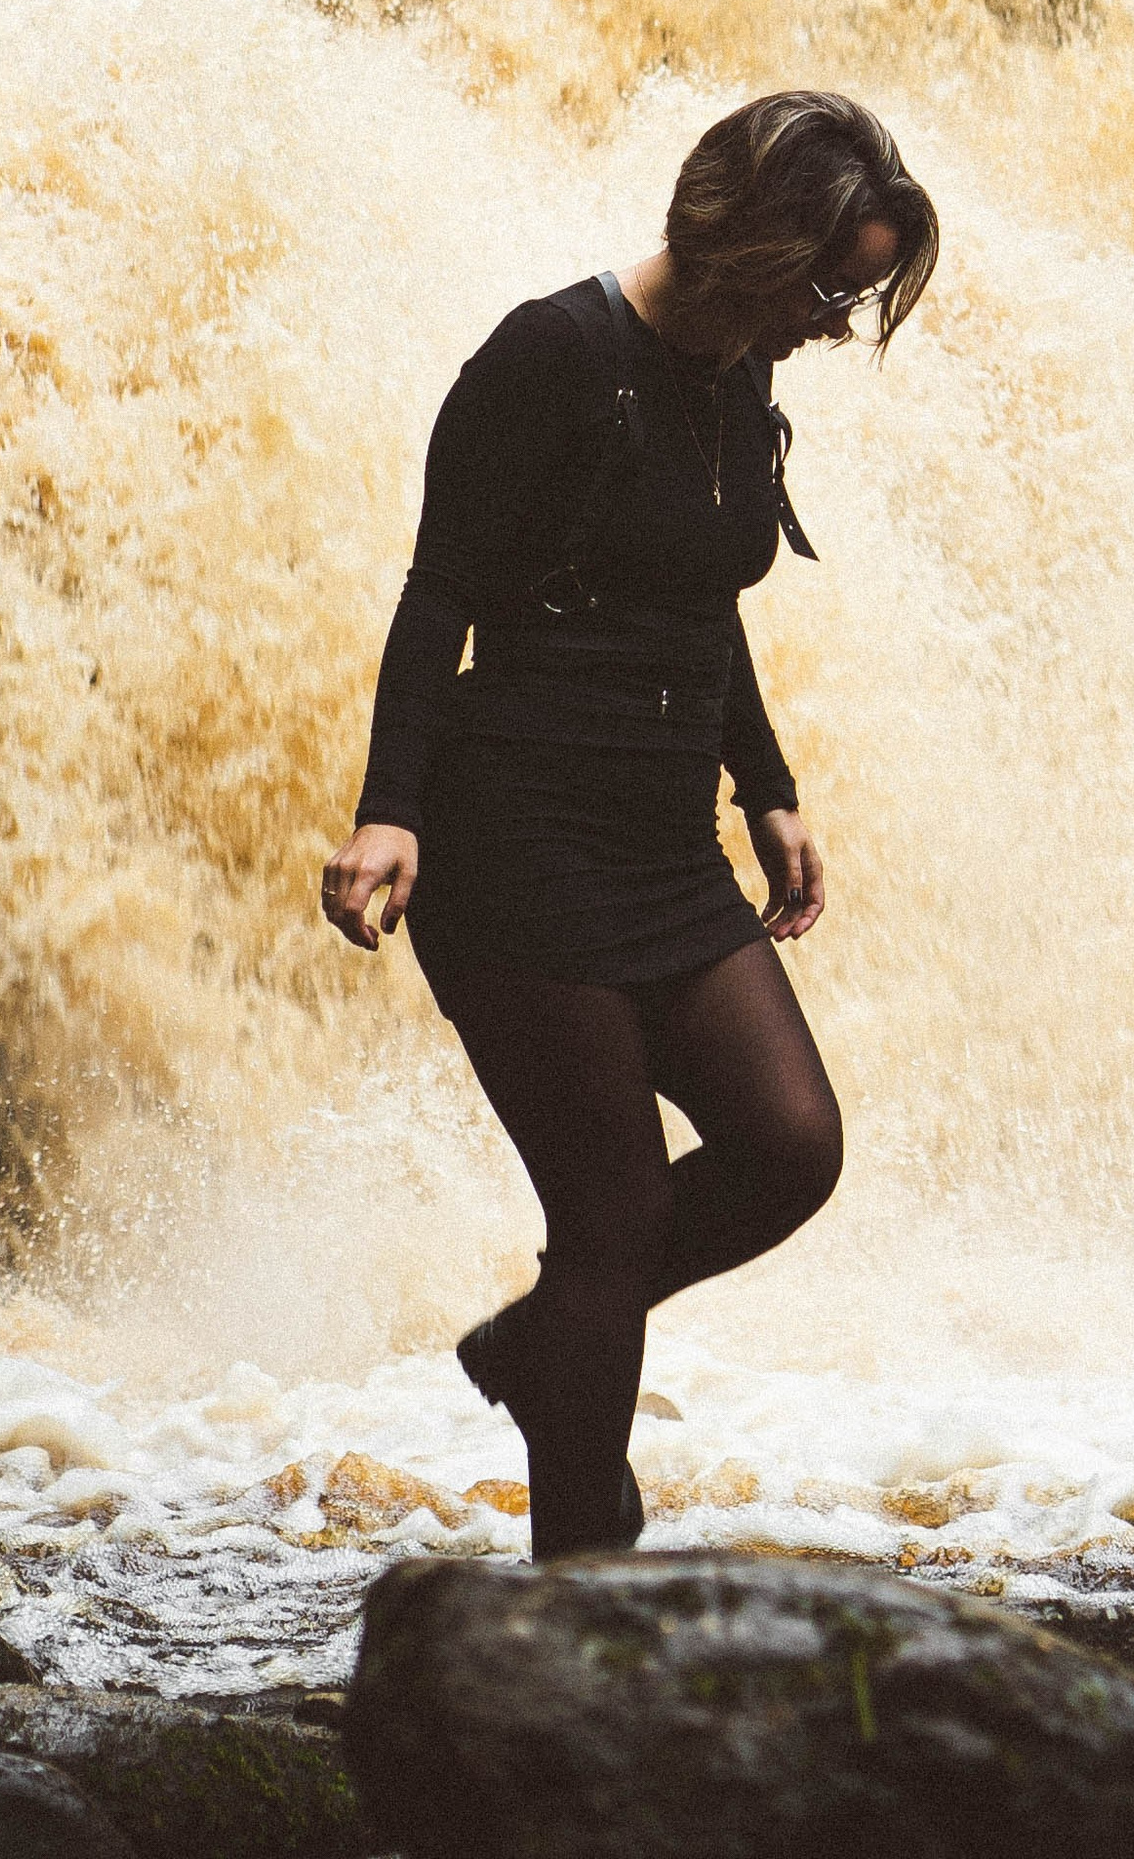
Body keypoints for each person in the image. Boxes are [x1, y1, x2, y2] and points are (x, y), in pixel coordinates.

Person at [320, 89, 939, 1557]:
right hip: (517, 839)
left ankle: (550, 1351)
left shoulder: (729, 371)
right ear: (754, 240)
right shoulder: (551, 356)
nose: (840, 322)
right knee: (605, 1220)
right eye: (831, 283)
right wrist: (389, 813)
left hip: (663, 846)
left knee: (790, 1144)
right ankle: (579, 1599)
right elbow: (438, 593)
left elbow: (702, 603)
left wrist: (767, 785)